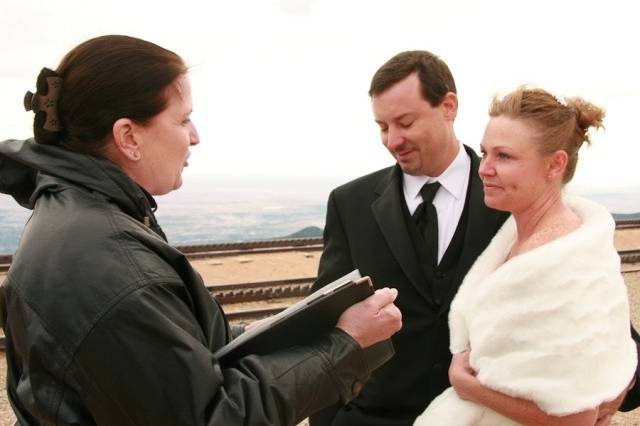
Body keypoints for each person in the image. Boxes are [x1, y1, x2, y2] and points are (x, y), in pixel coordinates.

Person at [0, 35, 402, 425]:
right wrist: (345, 345)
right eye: (184, 119)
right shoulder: (110, 263)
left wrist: (288, 330)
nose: (195, 136)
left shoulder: (76, 218)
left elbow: (184, 361)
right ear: (128, 137)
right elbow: (211, 416)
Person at [309, 50, 640, 426]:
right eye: (383, 127)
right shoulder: (348, 204)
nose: (392, 140)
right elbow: (325, 331)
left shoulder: (519, 198)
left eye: (405, 122)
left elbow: (605, 328)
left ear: (448, 106)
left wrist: (615, 388)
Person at [414, 87, 637, 425]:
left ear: (554, 164)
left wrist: (467, 385)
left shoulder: (571, 263)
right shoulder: (512, 238)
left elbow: (577, 417)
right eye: (485, 153)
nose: (484, 168)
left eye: (504, 156)